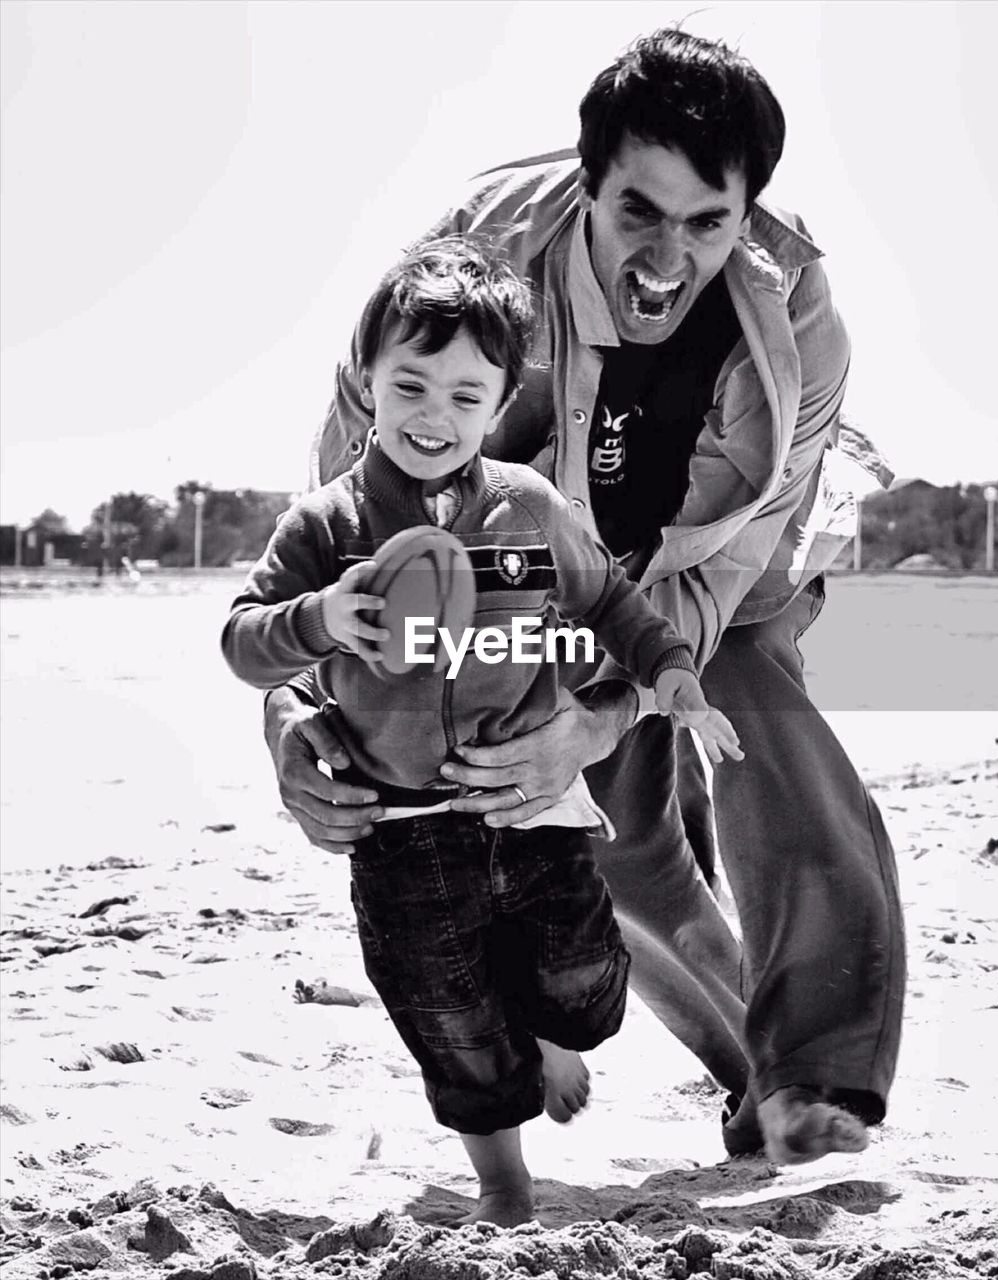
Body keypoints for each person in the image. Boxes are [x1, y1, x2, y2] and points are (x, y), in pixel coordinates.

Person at [263, 26, 906, 1166]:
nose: (670, 255)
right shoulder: (465, 276)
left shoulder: (800, 321)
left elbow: (728, 566)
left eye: (709, 221)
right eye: (638, 214)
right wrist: (299, 712)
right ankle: (751, 1080)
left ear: (748, 208)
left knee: (757, 712)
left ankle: (818, 1078)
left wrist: (620, 706)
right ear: (587, 178)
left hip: (719, 572)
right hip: (519, 579)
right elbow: (350, 530)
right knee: (608, 847)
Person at [224, 238, 742, 1225]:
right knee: (451, 1024)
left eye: (466, 396)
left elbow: (616, 604)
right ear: (362, 381)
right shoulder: (326, 528)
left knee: (587, 993)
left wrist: (669, 674)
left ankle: (546, 1033)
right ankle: (504, 1181)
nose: (433, 416)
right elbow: (247, 643)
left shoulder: (530, 507)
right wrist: (316, 620)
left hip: (534, 805)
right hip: (402, 829)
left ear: (502, 402)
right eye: (409, 385)